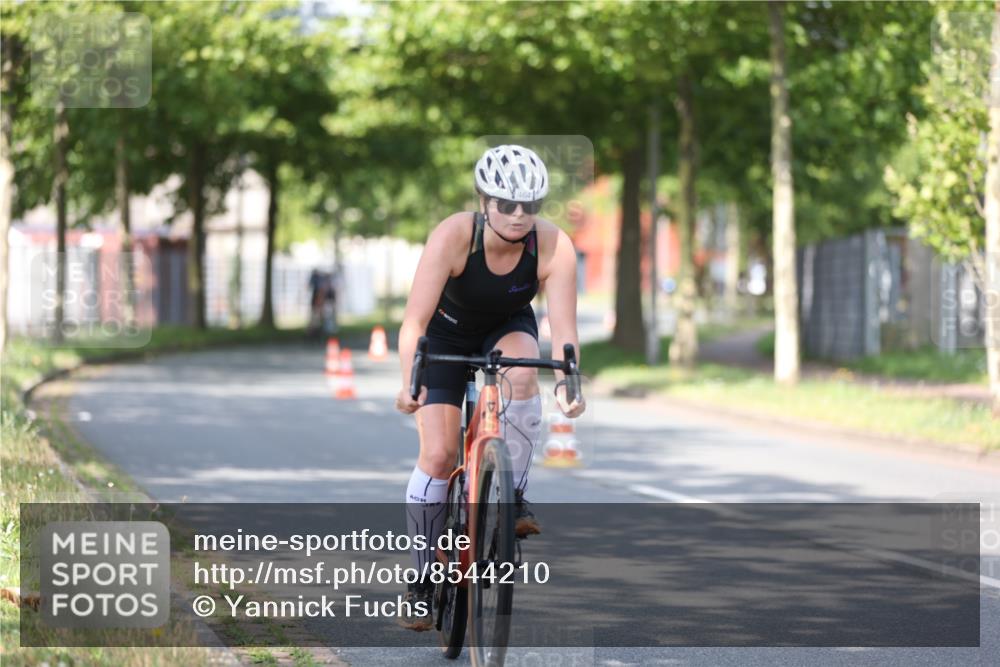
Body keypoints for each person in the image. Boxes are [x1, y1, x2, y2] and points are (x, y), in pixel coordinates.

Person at [394, 145, 585, 630]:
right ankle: (420, 582)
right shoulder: (455, 235)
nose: (519, 216)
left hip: (506, 329)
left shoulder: (554, 246)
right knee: (438, 455)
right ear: (484, 200)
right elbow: (414, 319)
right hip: (444, 335)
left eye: (531, 206)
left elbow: (563, 333)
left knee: (523, 373)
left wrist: (569, 383)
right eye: (507, 204)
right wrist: (408, 383)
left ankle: (513, 497)